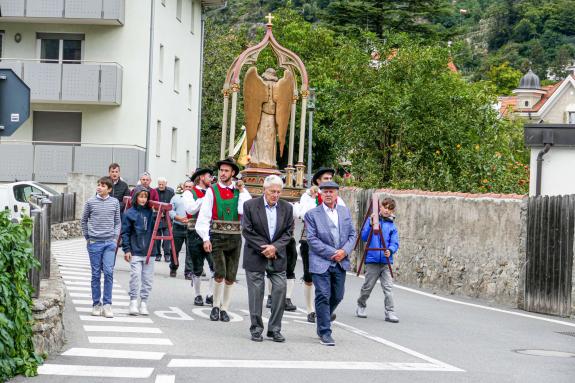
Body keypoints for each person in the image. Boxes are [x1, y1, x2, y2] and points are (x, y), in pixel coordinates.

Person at [195, 157, 251, 322]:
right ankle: (215, 306)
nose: (222, 173)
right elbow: (204, 216)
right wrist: (206, 238)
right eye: (221, 170)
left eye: (226, 171)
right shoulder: (212, 190)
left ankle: (225, 308)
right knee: (219, 273)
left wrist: (241, 190)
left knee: (231, 276)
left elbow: (245, 208)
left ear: (233, 173)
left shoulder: (239, 191)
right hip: (217, 236)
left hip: (235, 238)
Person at [242, 175, 294, 342]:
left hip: (277, 255)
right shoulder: (250, 205)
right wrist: (265, 247)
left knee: (280, 289)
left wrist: (275, 247)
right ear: (264, 190)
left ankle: (275, 329)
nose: (276, 195)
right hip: (256, 255)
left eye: (279, 192)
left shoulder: (287, 208)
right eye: (272, 191)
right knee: (256, 293)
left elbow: (288, 233)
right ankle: (256, 328)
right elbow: (247, 231)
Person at [304, 181, 356, 346]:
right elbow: (312, 239)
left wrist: (344, 251)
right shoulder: (312, 214)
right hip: (321, 261)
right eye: (325, 191)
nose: (328, 194)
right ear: (320, 194)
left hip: (341, 261)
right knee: (323, 295)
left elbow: (353, 235)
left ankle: (323, 315)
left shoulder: (344, 211)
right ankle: (325, 332)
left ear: (336, 194)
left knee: (338, 295)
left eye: (331, 192)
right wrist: (333, 253)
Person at [292, 167, 347, 323]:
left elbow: (343, 215)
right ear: (317, 181)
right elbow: (302, 214)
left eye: (330, 178)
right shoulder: (308, 196)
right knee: (310, 276)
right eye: (325, 178)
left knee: (328, 278)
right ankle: (310, 310)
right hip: (310, 241)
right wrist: (314, 198)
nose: (328, 181)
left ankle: (322, 311)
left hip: (330, 244)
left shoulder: (337, 199)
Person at [80, 176, 121, 318]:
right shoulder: (90, 202)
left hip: (110, 242)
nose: (99, 187)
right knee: (96, 274)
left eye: (103, 186)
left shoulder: (115, 202)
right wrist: (88, 237)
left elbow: (117, 222)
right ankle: (96, 304)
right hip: (94, 243)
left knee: (109, 272)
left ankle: (107, 304)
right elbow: (84, 220)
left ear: (109, 189)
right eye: (99, 185)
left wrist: (115, 238)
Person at [356, 197, 400, 322]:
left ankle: (390, 312)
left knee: (388, 288)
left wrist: (390, 250)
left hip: (386, 262)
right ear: (380, 207)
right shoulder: (372, 221)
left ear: (392, 211)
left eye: (390, 209)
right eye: (385, 207)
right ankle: (361, 305)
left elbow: (395, 243)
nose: (387, 211)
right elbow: (364, 237)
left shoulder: (392, 226)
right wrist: (370, 224)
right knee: (368, 287)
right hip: (372, 259)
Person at [183, 167, 215, 305]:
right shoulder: (189, 193)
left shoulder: (212, 192)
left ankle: (211, 294)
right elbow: (190, 209)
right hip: (194, 233)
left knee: (215, 265)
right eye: (209, 176)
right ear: (202, 177)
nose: (212, 179)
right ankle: (197, 294)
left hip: (210, 232)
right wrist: (206, 198)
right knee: (197, 267)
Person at [122, 186, 155, 316]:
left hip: (149, 251)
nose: (143, 199)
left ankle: (144, 303)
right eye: (141, 196)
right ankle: (133, 301)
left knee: (147, 279)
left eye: (145, 197)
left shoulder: (151, 212)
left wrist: (162, 214)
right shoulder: (129, 213)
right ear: (136, 197)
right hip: (135, 251)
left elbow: (157, 228)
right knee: (135, 276)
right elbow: (125, 232)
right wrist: (127, 249)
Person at [169, 181, 193, 278]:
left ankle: (188, 272)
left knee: (190, 251)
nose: (188, 188)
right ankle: (173, 268)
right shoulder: (176, 198)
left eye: (190, 187)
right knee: (174, 249)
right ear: (183, 187)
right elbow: (170, 210)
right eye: (186, 186)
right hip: (178, 226)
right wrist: (177, 217)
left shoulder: (196, 199)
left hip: (191, 227)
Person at [155, 177, 175, 262]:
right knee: (157, 238)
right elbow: (153, 203)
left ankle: (167, 255)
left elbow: (172, 204)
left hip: (167, 218)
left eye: (162, 184)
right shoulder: (155, 191)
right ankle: (157, 254)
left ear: (166, 184)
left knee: (167, 237)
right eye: (159, 184)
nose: (161, 186)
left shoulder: (171, 192)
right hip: (157, 217)